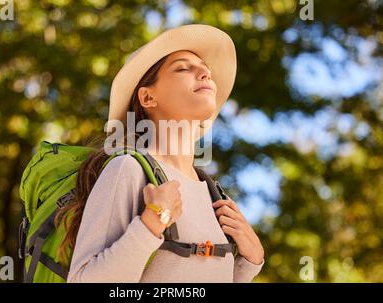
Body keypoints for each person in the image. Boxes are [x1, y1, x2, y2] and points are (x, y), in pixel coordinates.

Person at [59, 24, 265, 282]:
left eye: (206, 69)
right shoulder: (128, 170)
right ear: (147, 97)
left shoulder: (213, 194)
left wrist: (249, 263)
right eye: (182, 68)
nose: (205, 72)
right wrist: (152, 223)